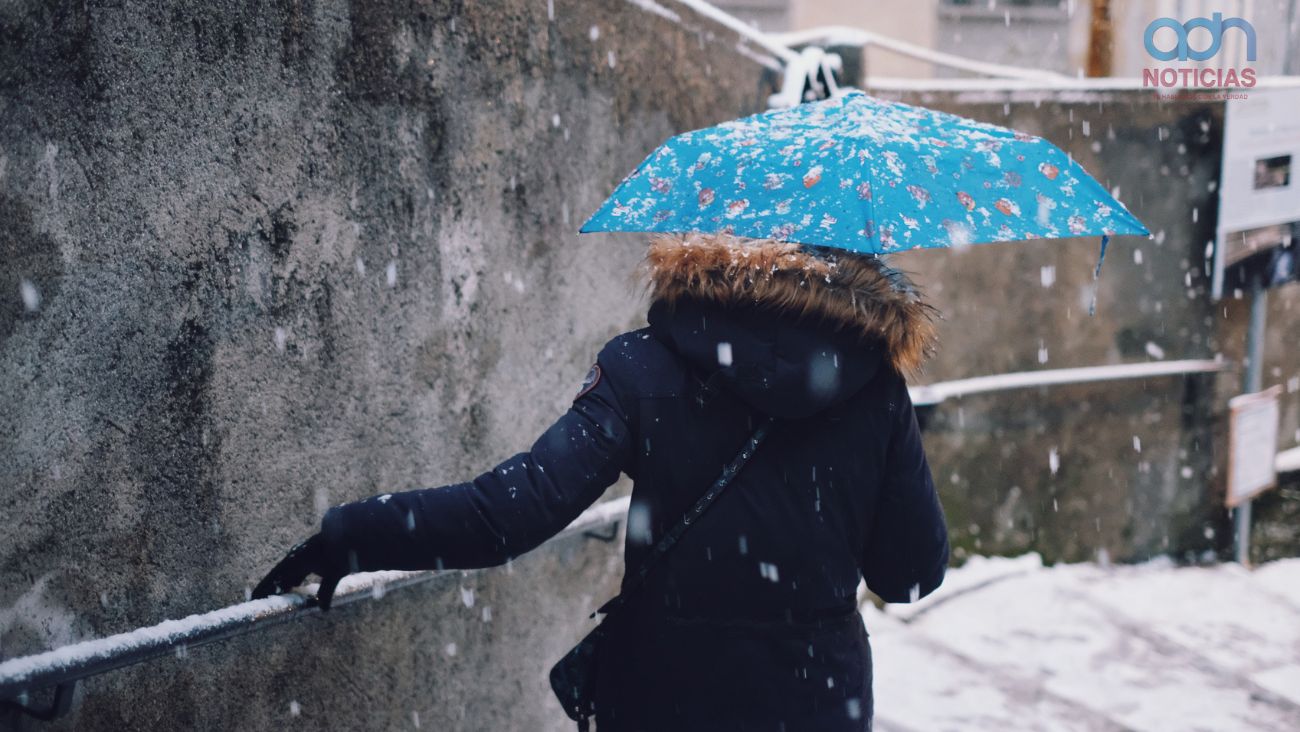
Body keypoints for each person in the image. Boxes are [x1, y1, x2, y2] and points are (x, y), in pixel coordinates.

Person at [254, 233, 950, 731]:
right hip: (814, 701)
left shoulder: (647, 364)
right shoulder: (874, 389)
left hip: (661, 695)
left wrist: (350, 535)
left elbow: (507, 515)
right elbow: (910, 576)